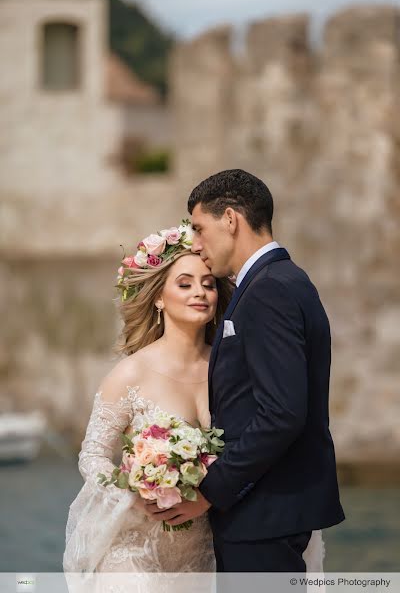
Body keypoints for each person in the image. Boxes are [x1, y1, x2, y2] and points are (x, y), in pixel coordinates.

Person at [144, 169, 345, 576]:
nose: (197, 245)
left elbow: (282, 413)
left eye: (200, 229)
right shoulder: (283, 280)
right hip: (272, 507)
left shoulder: (269, 289)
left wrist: (212, 491)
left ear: (231, 220)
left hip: (263, 512)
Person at [63, 221, 234, 575]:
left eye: (207, 285)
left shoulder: (228, 369)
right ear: (158, 297)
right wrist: (134, 496)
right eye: (184, 284)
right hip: (133, 553)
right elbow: (92, 455)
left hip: (200, 553)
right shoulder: (131, 373)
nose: (199, 293)